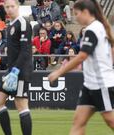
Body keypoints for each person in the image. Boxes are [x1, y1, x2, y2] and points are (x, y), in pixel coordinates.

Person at [48, 0, 114, 135]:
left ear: (85, 12)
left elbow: (82, 56)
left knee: (110, 120)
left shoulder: (93, 29)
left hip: (101, 84)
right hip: (89, 85)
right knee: (78, 122)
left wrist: (59, 72)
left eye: (76, 13)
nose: (75, 17)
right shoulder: (97, 27)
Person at [0, 0, 33, 135]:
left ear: (18, 7)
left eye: (12, 6)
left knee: (21, 105)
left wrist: (16, 71)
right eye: (7, 7)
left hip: (20, 71)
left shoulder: (23, 23)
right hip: (11, 71)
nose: (9, 9)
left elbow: (25, 51)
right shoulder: (10, 25)